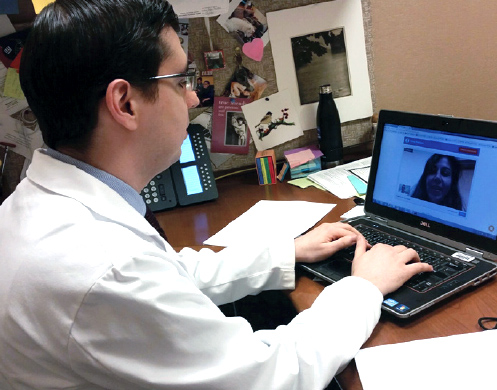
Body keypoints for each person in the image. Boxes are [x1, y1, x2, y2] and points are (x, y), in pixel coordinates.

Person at [0, 1, 432, 389]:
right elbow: (269, 376)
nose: (192, 97)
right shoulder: (104, 268)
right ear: (125, 103)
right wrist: (364, 288)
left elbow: (168, 275)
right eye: (180, 80)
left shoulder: (39, 206)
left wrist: (287, 253)